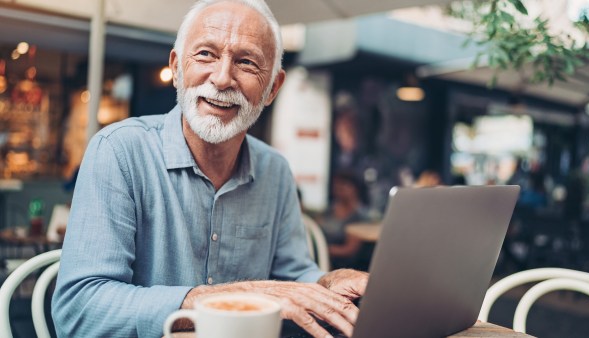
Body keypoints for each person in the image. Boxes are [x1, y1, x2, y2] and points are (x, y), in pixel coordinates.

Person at [51, 1, 368, 337]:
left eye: (246, 62)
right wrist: (220, 300)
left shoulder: (275, 171)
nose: (221, 78)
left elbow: (291, 279)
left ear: (273, 87)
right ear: (177, 67)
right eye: (205, 54)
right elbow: (78, 311)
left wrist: (326, 283)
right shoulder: (119, 151)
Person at [318, 171, 371, 270]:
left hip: (344, 266)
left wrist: (322, 249)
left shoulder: (359, 216)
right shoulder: (328, 211)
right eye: (336, 184)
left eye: (344, 184)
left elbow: (350, 249)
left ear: (355, 188)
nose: (339, 187)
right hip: (322, 259)